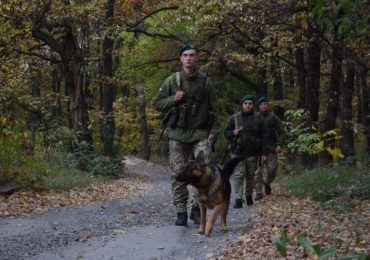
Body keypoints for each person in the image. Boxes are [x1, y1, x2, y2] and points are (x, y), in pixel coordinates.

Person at [152, 44, 219, 226]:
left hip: (200, 134)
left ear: (196, 58)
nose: (189, 58)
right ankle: (181, 212)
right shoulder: (172, 81)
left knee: (204, 173)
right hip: (178, 136)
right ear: (180, 59)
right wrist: (173, 99)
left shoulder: (206, 82)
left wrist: (213, 133)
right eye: (185, 55)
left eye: (192, 55)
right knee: (178, 175)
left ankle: (197, 209)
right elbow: (156, 103)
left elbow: (215, 111)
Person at [224, 95, 267, 208]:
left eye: (250, 103)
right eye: (245, 103)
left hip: (253, 152)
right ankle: (238, 199)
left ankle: (248, 196)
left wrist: (264, 153)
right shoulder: (235, 117)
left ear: (253, 105)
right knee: (238, 175)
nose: (248, 105)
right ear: (242, 105)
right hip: (238, 152)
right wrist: (234, 132)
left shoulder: (258, 118)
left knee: (250, 176)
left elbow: (264, 136)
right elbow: (226, 133)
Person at [255, 96, 285, 196]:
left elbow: (282, 132)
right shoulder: (255, 117)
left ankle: (267, 183)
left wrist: (279, 145)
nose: (263, 106)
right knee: (258, 171)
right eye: (261, 104)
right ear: (259, 106)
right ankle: (259, 192)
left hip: (271, 148)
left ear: (268, 106)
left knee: (272, 170)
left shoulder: (273, 117)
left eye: (265, 104)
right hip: (258, 148)